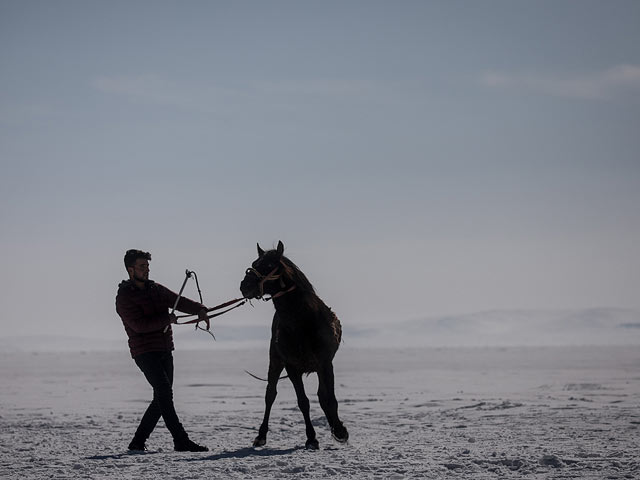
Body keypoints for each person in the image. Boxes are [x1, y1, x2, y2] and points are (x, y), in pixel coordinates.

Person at [115, 249, 209, 452]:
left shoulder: (155, 289)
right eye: (142, 266)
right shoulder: (124, 297)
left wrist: (200, 309)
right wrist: (166, 320)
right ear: (130, 270)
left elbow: (177, 301)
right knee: (165, 392)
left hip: (165, 348)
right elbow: (138, 326)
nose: (146, 270)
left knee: (161, 397)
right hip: (144, 352)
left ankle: (137, 442)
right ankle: (180, 440)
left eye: (147, 266)